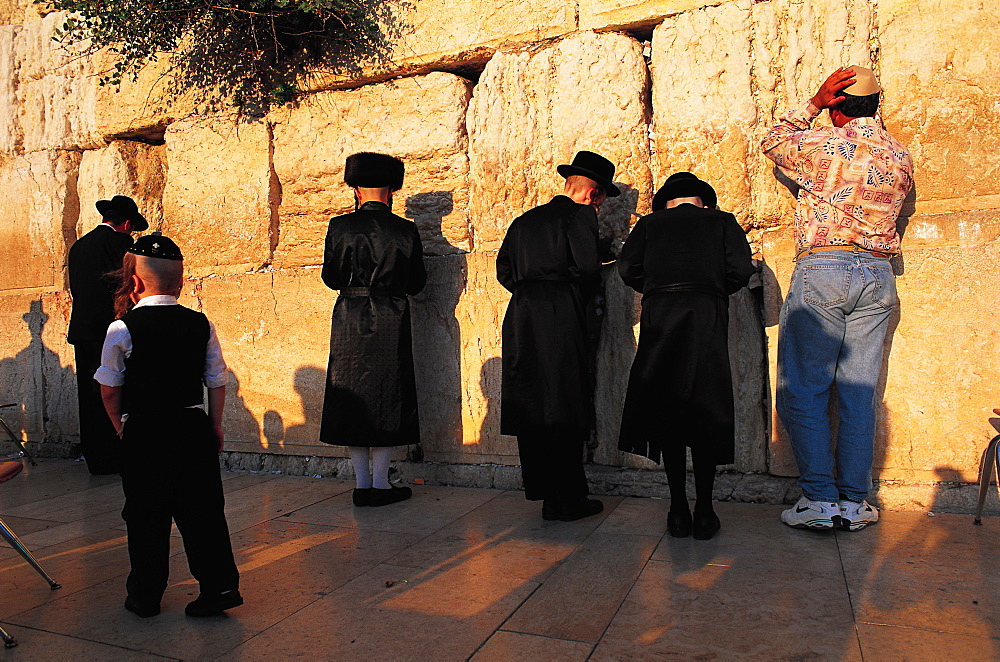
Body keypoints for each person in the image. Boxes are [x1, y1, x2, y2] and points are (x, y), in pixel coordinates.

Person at [761, 65, 913, 531]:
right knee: (858, 395)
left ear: (838, 105)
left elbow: (772, 141)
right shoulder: (900, 155)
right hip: (879, 273)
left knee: (803, 391)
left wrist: (813, 102)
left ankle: (821, 500)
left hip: (825, 268)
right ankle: (854, 500)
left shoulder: (821, 143)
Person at [95, 235, 242, 618]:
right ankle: (220, 586)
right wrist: (214, 425)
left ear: (135, 283)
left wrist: (119, 426)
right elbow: (217, 378)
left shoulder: (121, 329)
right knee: (204, 511)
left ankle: (146, 594)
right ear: (179, 282)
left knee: (145, 513)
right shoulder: (200, 323)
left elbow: (110, 388)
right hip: (191, 425)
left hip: (144, 429)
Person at [617, 172, 754, 540]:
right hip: (706, 319)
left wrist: (658, 288)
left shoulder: (649, 224)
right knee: (705, 407)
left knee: (668, 408)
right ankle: (705, 510)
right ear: (703, 201)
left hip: (662, 318)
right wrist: (711, 290)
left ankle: (678, 509)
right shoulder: (722, 222)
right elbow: (741, 270)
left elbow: (627, 269)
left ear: (666, 202)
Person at [496, 150, 618, 522]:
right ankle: (570, 497)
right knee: (565, 400)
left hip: (522, 315)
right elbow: (585, 268)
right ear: (592, 194)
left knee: (533, 401)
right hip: (560, 315)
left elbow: (504, 271)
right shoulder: (580, 216)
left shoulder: (525, 220)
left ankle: (547, 495)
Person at [320, 152, 426, 508]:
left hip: (349, 314)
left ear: (355, 190)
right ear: (392, 190)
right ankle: (380, 484)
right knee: (387, 396)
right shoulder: (406, 230)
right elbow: (416, 283)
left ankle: (362, 484)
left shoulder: (339, 227)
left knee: (353, 394)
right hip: (391, 315)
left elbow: (331, 278)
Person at [68, 195, 148, 474]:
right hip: (110, 330)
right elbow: (128, 286)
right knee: (113, 389)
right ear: (126, 223)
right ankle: (117, 454)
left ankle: (96, 457)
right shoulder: (121, 243)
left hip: (82, 330)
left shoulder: (78, 246)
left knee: (89, 395)